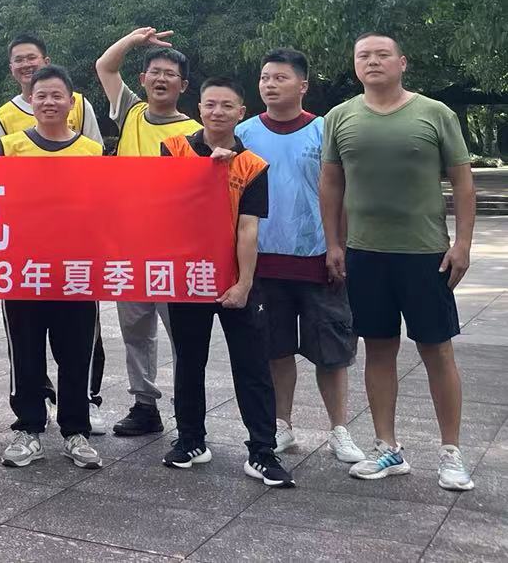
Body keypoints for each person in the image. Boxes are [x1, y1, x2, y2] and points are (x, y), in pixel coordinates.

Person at [322, 33, 476, 491]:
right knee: (378, 348)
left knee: (437, 349)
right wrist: (334, 243)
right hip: (365, 253)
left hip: (426, 254)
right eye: (363, 56)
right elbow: (331, 184)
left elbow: (463, 183)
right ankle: (387, 446)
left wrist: (463, 244)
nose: (373, 61)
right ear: (355, 65)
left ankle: (451, 452)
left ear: (402, 62)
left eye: (382, 54)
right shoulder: (340, 117)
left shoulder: (434, 113)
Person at [159, 78, 293, 487]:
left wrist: (244, 283)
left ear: (241, 112)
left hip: (237, 280)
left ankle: (262, 451)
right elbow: (164, 204)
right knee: (189, 360)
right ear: (199, 108)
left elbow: (248, 229)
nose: (217, 112)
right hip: (189, 278)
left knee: (251, 364)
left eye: (227, 106)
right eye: (210, 104)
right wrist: (206, 172)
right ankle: (190, 440)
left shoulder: (252, 165)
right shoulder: (174, 150)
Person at [237, 48, 364, 464]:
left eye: (281, 77)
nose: (270, 84)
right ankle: (282, 425)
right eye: (265, 78)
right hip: (264, 261)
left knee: (332, 350)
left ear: (303, 85)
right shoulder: (245, 133)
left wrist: (338, 245)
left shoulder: (325, 130)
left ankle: (339, 429)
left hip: (318, 257)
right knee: (275, 348)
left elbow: (343, 193)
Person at [0, 35, 106, 432]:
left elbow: (104, 210)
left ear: (71, 103)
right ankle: (29, 428)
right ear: (31, 100)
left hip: (76, 269)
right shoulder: (8, 148)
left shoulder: (92, 152)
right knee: (25, 354)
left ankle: (76, 430)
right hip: (23, 269)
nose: (49, 102)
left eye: (57, 96)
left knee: (76, 353)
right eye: (41, 96)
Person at [96, 26, 196, 438]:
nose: (161, 79)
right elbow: (105, 66)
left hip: (175, 252)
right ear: (142, 79)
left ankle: (189, 410)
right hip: (129, 247)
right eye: (154, 72)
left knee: (183, 334)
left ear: (183, 85)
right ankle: (144, 405)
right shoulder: (132, 113)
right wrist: (134, 41)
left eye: (170, 74)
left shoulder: (195, 132)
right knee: (136, 331)